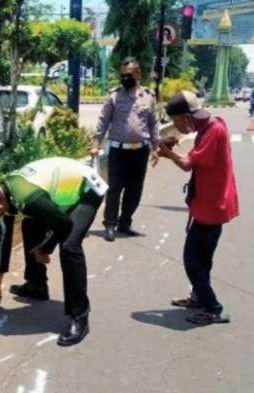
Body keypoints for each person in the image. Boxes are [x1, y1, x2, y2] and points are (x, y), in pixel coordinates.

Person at [0, 157, 108, 346]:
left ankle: (79, 316)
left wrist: (44, 249)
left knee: (69, 247)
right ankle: (37, 286)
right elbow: (3, 242)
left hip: (87, 189)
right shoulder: (3, 193)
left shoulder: (27, 198)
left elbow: (64, 224)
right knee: (30, 225)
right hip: (63, 190)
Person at [158, 91, 239, 326]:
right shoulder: (208, 128)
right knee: (202, 259)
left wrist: (167, 152)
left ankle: (214, 308)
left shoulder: (214, 131)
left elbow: (186, 165)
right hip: (207, 203)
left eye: (176, 121)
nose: (176, 126)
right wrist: (168, 152)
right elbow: (195, 159)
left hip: (212, 207)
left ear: (186, 117)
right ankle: (198, 296)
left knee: (192, 261)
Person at [90, 57, 160, 242]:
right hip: (118, 151)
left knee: (134, 190)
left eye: (128, 75)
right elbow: (103, 121)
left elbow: (153, 123)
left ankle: (125, 222)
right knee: (114, 189)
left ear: (138, 74)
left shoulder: (148, 96)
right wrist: (96, 143)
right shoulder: (114, 96)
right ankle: (110, 224)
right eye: (122, 75)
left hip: (140, 152)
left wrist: (156, 148)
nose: (125, 78)